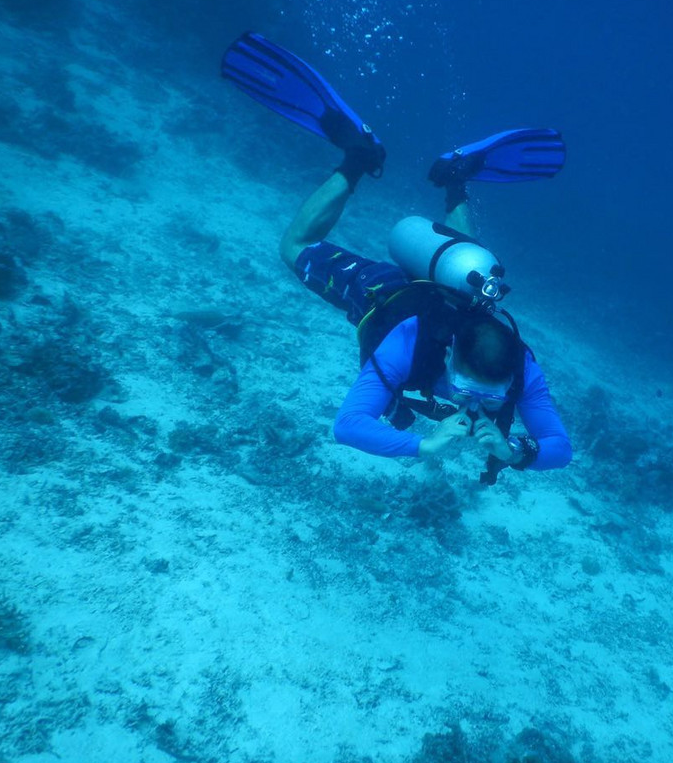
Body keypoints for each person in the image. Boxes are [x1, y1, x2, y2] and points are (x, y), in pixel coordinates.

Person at [222, 32, 572, 483]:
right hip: (385, 296)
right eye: (466, 390)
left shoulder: (522, 369)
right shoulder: (408, 342)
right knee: (293, 248)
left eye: (493, 397)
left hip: (461, 290)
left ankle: (456, 176)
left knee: (472, 269)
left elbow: (561, 449)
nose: (475, 406)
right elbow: (347, 426)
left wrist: (516, 450)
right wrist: (422, 445)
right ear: (448, 357)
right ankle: (357, 157)